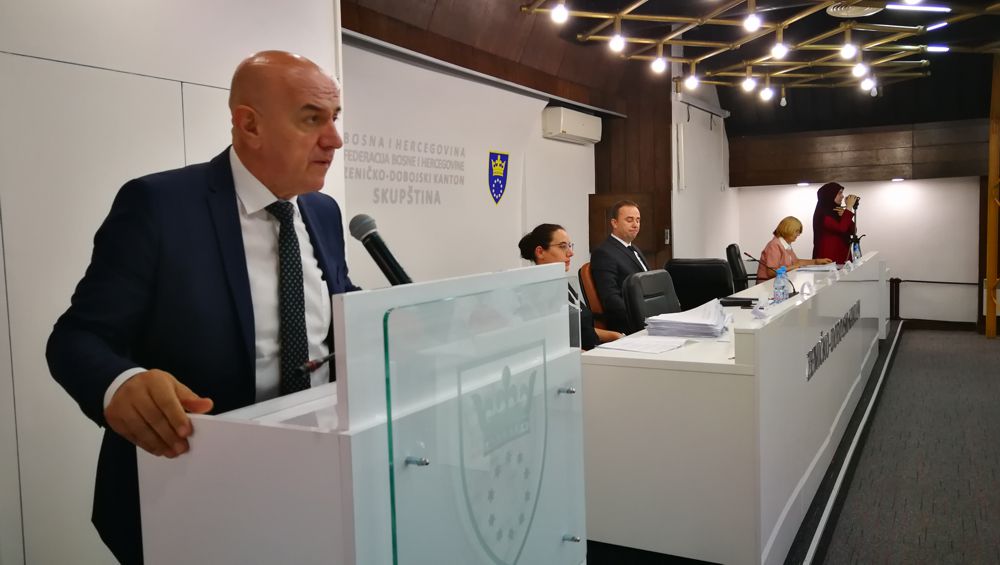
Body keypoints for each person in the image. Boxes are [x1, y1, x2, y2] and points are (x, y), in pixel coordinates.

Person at [45, 51, 359, 564]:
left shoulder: (322, 211)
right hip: (186, 494)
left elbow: (334, 303)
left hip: (309, 480)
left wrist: (404, 322)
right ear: (249, 125)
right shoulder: (159, 205)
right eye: (312, 119)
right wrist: (121, 383)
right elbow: (77, 338)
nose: (334, 139)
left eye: (335, 118)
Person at [519, 224, 624, 350]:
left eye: (570, 246)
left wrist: (615, 336)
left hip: (592, 351)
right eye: (562, 246)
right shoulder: (536, 292)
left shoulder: (561, 282)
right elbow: (551, 341)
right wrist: (582, 354)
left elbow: (583, 329)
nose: (570, 253)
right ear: (540, 252)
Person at [590, 200, 648, 334]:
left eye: (638, 220)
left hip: (649, 317)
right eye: (629, 220)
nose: (635, 225)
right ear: (614, 223)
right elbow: (611, 299)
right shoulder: (603, 253)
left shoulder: (634, 248)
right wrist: (644, 318)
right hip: (630, 324)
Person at [757, 216, 833, 281]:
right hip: (768, 286)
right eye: (796, 231)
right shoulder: (774, 245)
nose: (798, 234)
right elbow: (772, 272)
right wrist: (795, 266)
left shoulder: (785, 244)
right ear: (787, 229)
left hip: (781, 283)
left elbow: (796, 262)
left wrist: (816, 262)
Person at [812, 182, 858, 264]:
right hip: (829, 257)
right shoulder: (823, 214)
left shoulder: (837, 212)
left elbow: (853, 230)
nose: (842, 196)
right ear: (830, 195)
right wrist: (848, 208)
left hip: (842, 255)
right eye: (839, 193)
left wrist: (845, 214)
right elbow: (841, 229)